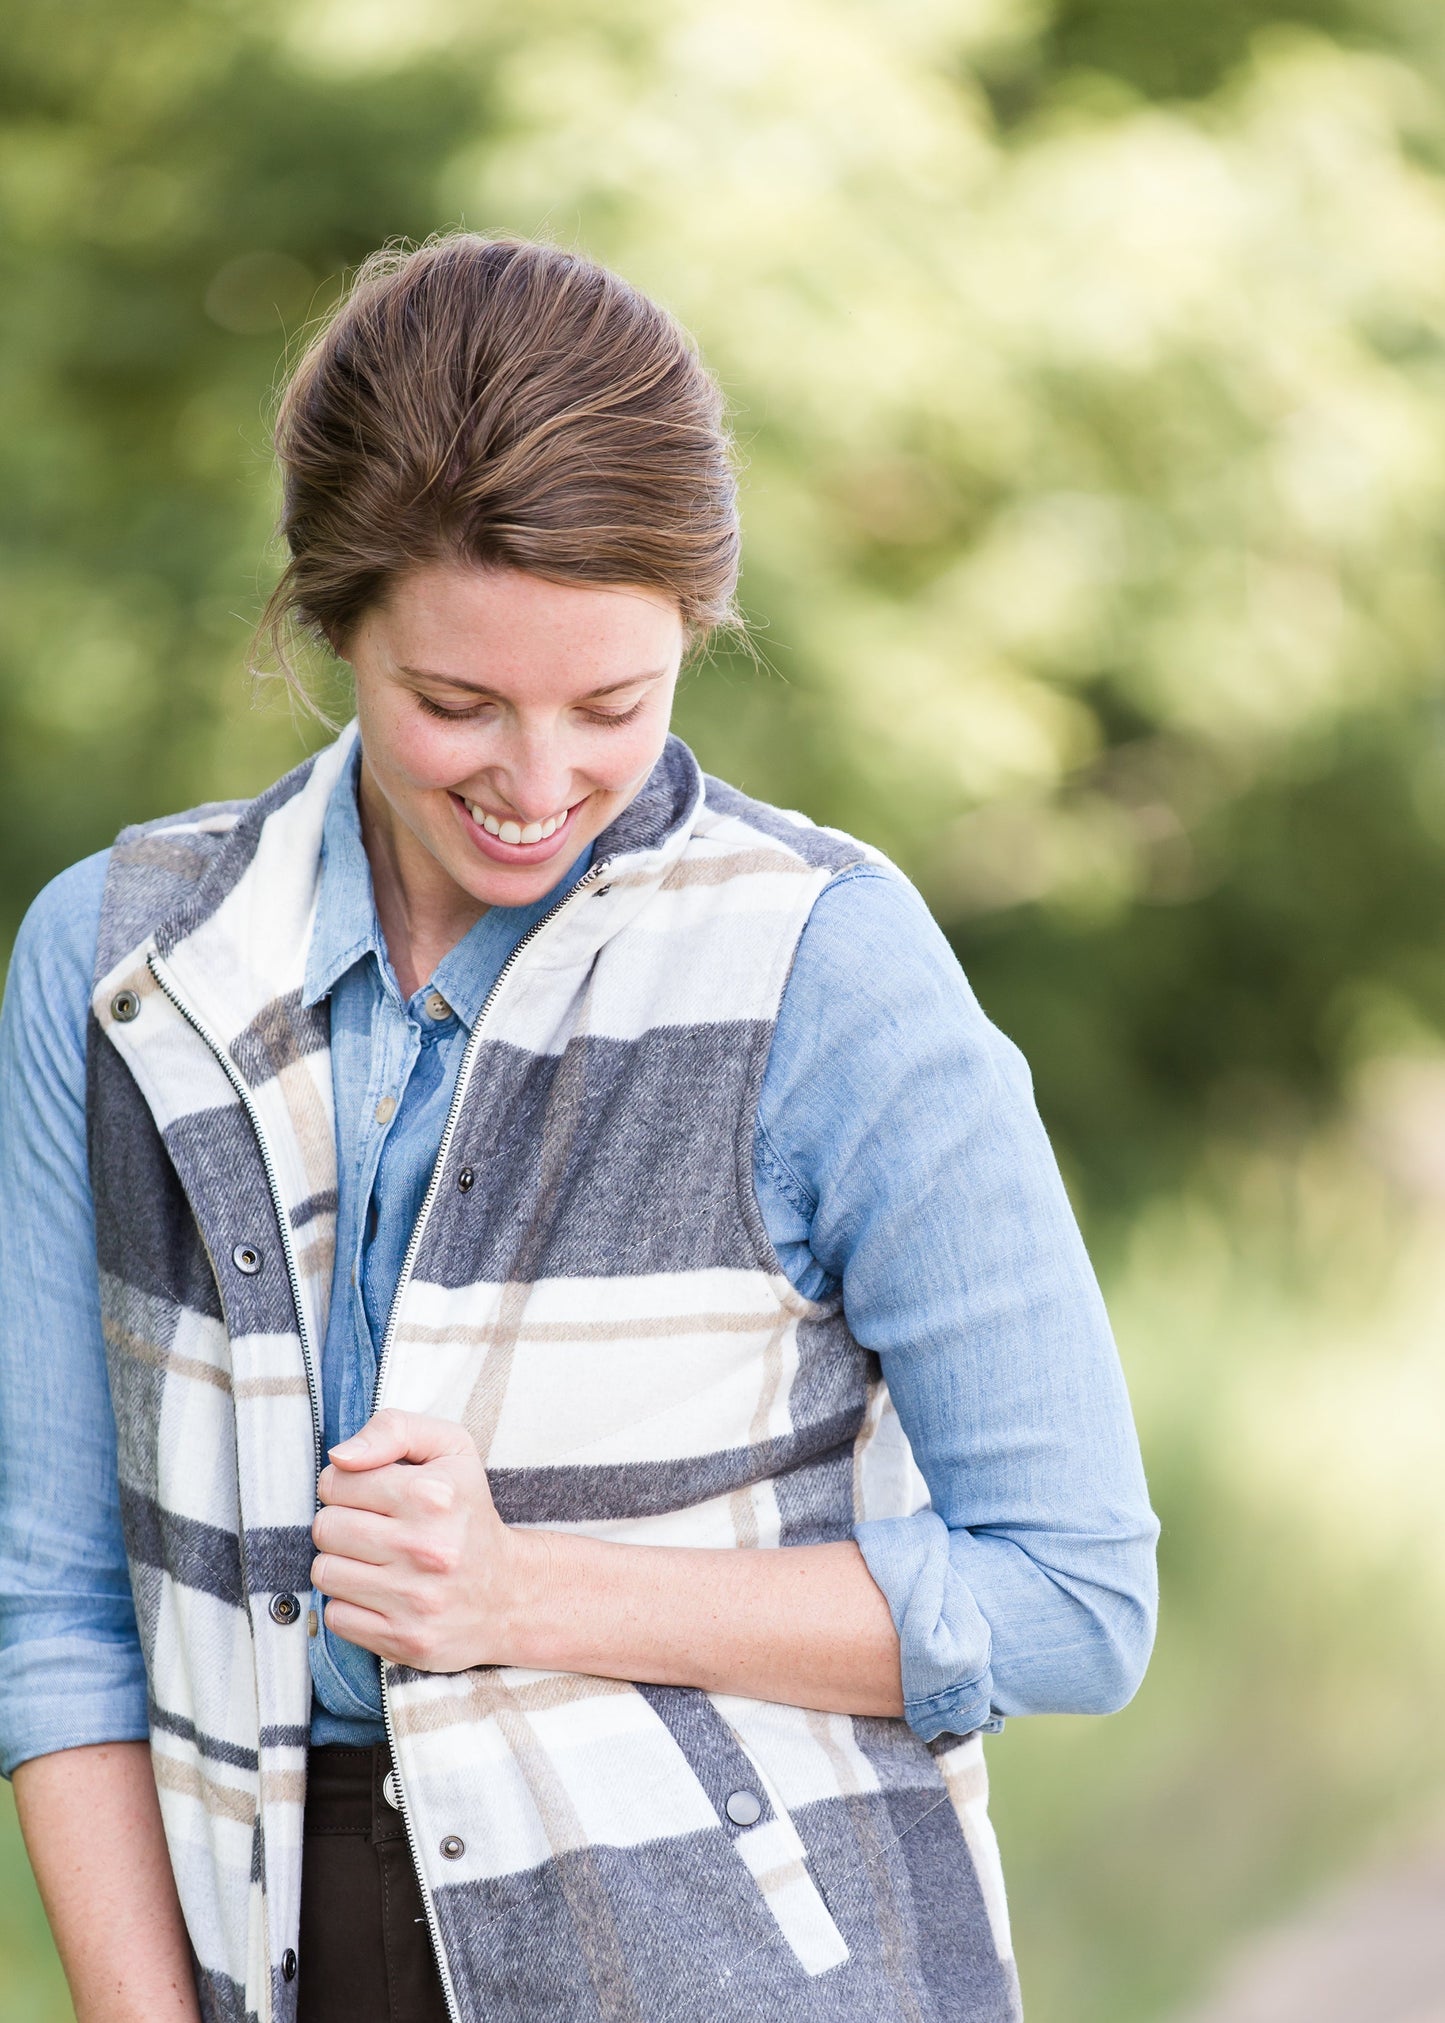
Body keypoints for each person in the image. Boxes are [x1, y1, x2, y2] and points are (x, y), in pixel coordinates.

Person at [0, 234, 1157, 2023]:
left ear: (694, 629)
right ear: (331, 624)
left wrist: (521, 1590)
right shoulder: (115, 968)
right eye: (453, 704)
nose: (536, 786)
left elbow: (1073, 1599)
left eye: (613, 706)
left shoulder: (824, 969)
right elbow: (57, 1612)